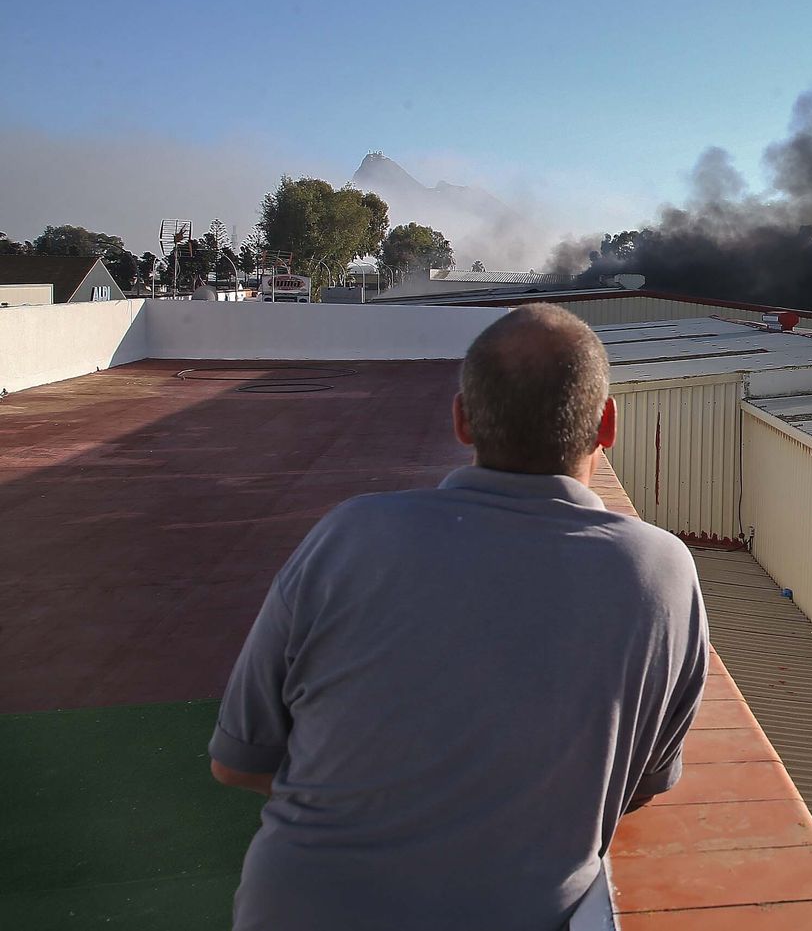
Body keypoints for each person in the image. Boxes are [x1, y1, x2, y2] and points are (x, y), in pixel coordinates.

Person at [208, 305, 707, 931]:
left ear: (462, 420)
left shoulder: (349, 533)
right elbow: (639, 786)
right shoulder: (661, 570)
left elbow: (237, 762)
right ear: (606, 425)